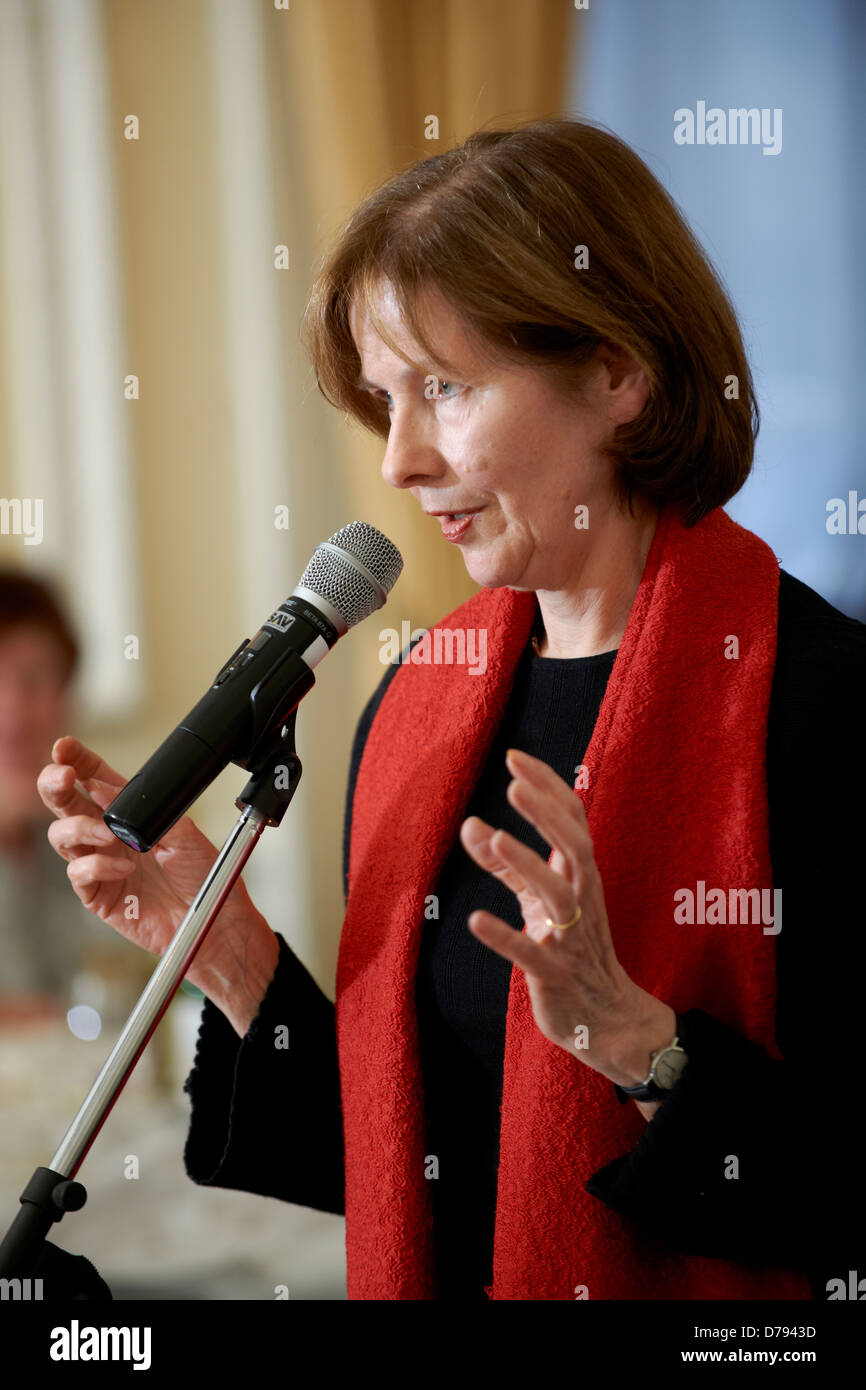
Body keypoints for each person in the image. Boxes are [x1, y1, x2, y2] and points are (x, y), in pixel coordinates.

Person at [36, 118, 865, 1301]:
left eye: (445, 388)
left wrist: (634, 1042)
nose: (400, 462)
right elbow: (408, 1167)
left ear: (616, 372)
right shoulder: (415, 707)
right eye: (385, 401)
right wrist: (225, 956)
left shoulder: (823, 705)